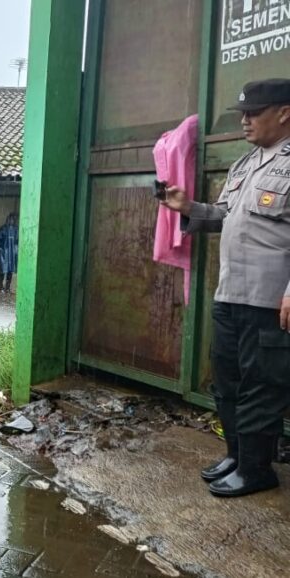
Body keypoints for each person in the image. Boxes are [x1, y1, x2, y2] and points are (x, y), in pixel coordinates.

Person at [161, 78, 290, 498]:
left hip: (269, 300)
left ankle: (257, 469)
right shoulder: (246, 164)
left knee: (261, 385)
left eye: (254, 112)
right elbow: (224, 216)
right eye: (243, 114)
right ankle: (237, 456)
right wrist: (187, 208)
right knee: (229, 381)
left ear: (284, 112)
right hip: (230, 294)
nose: (245, 121)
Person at [0, 213, 19, 294]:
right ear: (8, 219)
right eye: (11, 219)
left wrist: (16, 250)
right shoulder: (3, 229)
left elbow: (18, 240)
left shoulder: (16, 229)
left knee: (10, 270)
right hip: (4, 253)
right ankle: (1, 288)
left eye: (14, 219)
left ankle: (7, 288)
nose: (12, 221)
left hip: (12, 253)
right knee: (2, 270)